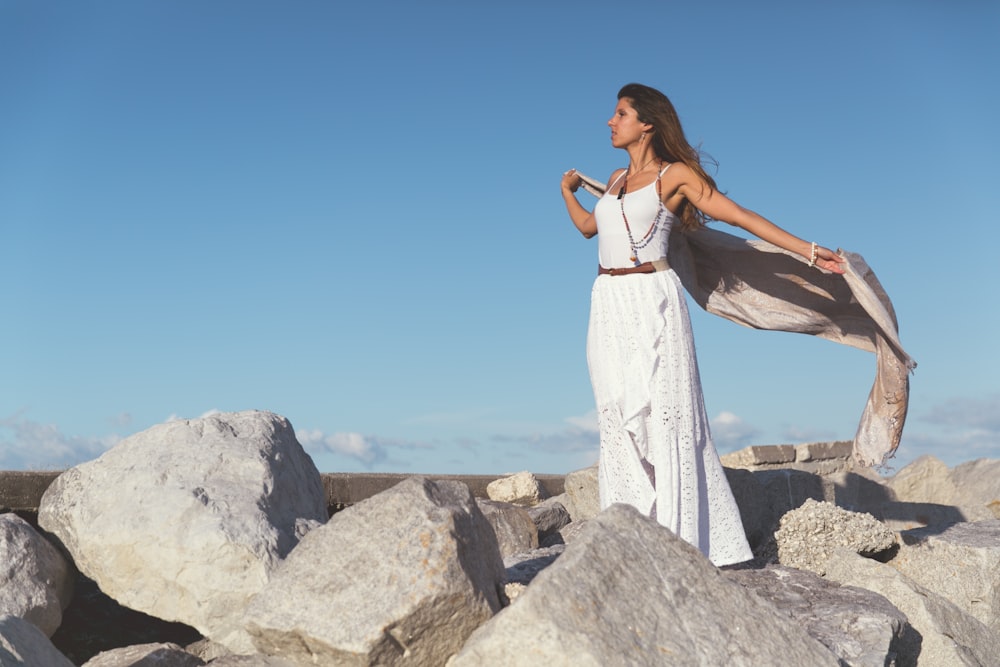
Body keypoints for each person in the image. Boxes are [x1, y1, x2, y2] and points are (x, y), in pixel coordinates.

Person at [560, 83, 846, 567]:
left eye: (620, 113)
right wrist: (567, 193)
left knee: (668, 416)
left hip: (654, 298)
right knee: (615, 414)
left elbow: (738, 216)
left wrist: (809, 251)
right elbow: (590, 229)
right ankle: (630, 536)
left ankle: (685, 544)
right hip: (607, 302)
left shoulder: (675, 176)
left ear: (646, 123)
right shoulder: (611, 180)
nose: (611, 122)